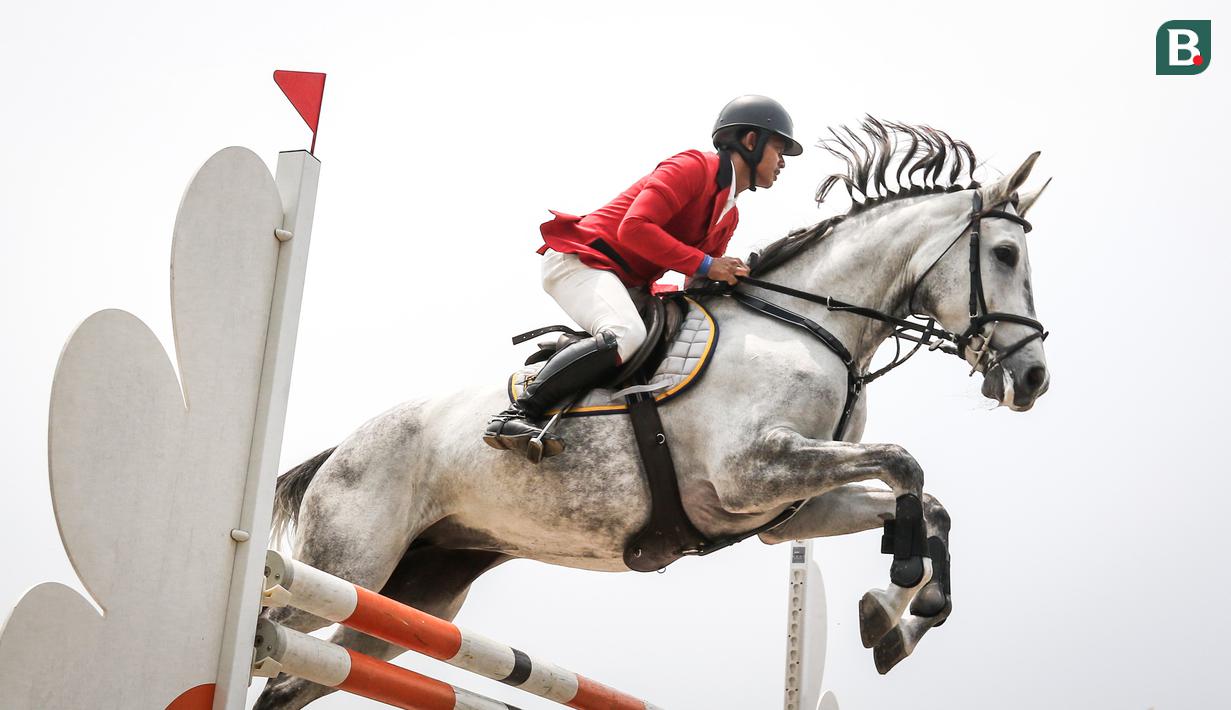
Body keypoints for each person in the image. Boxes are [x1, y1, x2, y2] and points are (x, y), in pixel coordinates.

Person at [483, 95, 804, 461]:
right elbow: (634, 228)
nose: (782, 162)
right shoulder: (693, 166)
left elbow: (696, 281)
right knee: (626, 335)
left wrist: (733, 282)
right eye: (779, 149)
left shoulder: (729, 216)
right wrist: (706, 264)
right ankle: (516, 414)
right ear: (751, 141)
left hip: (626, 283)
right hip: (581, 262)